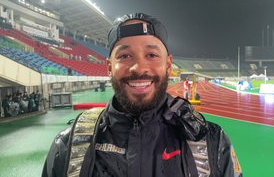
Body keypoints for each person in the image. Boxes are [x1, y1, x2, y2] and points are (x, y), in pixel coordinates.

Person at [42, 13, 242, 177]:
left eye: (152, 55)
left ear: (168, 66)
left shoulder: (211, 142)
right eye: (125, 56)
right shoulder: (68, 146)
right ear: (110, 67)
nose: (139, 68)